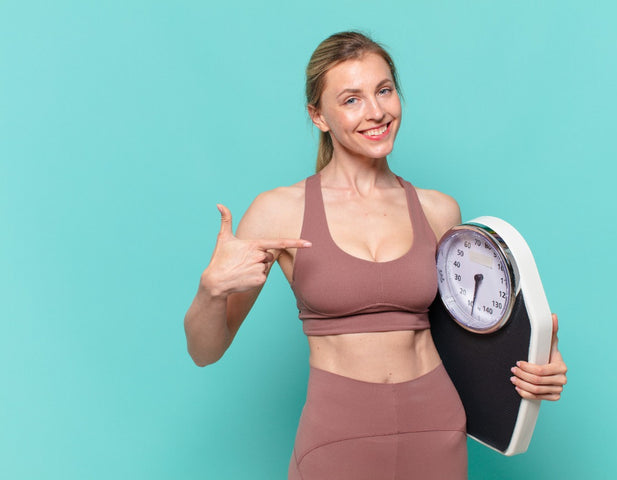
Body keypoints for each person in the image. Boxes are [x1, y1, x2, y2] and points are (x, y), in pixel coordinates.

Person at [184, 31, 568, 480]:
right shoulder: (279, 211)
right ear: (318, 115)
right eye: (351, 100)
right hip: (337, 434)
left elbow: (475, 329)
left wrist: (539, 355)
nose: (376, 111)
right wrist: (210, 291)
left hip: (436, 427)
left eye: (384, 90)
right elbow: (205, 350)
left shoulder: (438, 210)